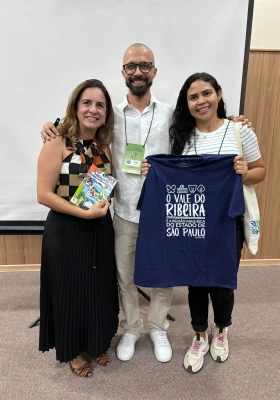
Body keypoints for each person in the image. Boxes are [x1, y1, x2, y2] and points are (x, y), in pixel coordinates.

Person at [40, 44, 252, 364]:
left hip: (163, 212)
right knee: (124, 275)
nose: (137, 72)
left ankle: (157, 327)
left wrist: (233, 119)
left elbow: (206, 121)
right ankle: (131, 327)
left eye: (144, 66)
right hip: (122, 210)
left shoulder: (171, 113)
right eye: (131, 67)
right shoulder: (109, 116)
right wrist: (51, 125)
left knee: (162, 275)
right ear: (123, 73)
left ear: (154, 72)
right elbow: (80, 126)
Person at [141, 72, 266, 373]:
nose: (201, 101)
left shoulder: (239, 131)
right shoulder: (182, 136)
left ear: (219, 94)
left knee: (222, 283)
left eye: (206, 94)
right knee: (194, 281)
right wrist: (153, 172)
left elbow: (261, 170)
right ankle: (199, 335)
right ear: (187, 103)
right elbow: (175, 179)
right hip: (191, 221)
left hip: (227, 223)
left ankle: (221, 330)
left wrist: (243, 172)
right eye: (193, 97)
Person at [37, 79, 119, 377]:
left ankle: (96, 342)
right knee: (69, 291)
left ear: (106, 112)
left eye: (100, 105)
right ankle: (72, 351)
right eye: (87, 103)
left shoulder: (105, 144)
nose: (93, 110)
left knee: (97, 290)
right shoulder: (56, 141)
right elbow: (43, 194)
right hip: (66, 230)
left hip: (99, 229)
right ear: (75, 105)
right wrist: (81, 214)